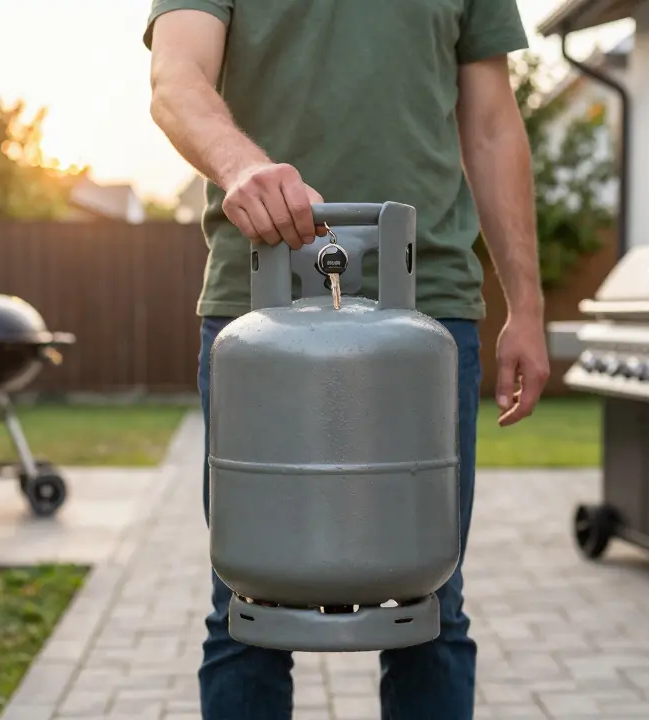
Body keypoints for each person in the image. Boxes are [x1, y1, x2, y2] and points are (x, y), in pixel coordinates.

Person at [144, 2, 551, 717]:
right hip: (257, 308)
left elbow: (490, 124)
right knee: (248, 602)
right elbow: (176, 77)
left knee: (431, 601)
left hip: (431, 305)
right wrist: (244, 167)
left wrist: (528, 304)